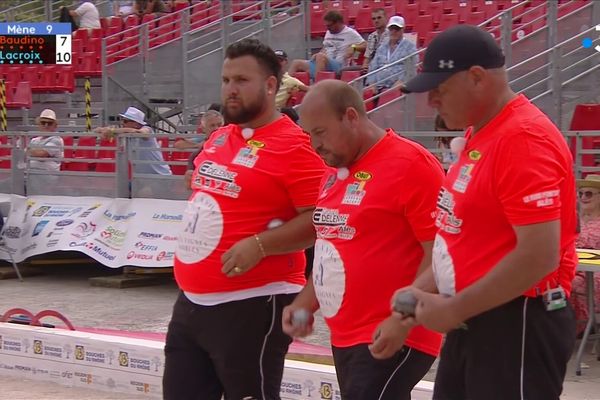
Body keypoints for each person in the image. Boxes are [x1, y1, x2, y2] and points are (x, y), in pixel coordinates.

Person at [394, 25, 577, 399]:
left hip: (518, 320)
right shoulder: (485, 132)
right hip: (481, 316)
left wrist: (455, 307)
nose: (431, 102)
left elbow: (540, 254)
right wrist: (417, 293)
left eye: (439, 90)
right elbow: (466, 237)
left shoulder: (522, 138)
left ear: (477, 78)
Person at [163, 38, 326, 400]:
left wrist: (260, 244)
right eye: (225, 80)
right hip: (192, 302)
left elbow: (321, 219)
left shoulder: (295, 146)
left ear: (271, 86)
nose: (230, 90)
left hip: (254, 302)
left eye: (241, 80)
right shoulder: (220, 137)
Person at [282, 80, 443, 400]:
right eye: (309, 134)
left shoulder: (411, 165)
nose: (314, 145)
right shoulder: (333, 172)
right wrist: (305, 302)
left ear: (351, 117)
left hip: (399, 333)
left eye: (321, 132)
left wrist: (403, 318)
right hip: (346, 336)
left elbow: (442, 256)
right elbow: (334, 247)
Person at [289, 10, 365, 81]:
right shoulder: (329, 32)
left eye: (329, 26)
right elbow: (326, 47)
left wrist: (354, 47)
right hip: (323, 62)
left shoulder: (350, 32)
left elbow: (366, 45)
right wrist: (319, 53)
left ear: (338, 22)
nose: (327, 28)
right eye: (326, 26)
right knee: (296, 63)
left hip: (338, 65)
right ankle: (283, 89)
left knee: (320, 57)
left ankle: (318, 88)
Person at [94, 106, 171, 175]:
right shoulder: (125, 134)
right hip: (141, 175)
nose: (122, 123)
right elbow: (102, 133)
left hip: (159, 174)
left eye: (125, 121)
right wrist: (105, 130)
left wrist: (113, 130)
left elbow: (142, 133)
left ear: (136, 124)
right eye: (122, 120)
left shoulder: (147, 129)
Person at [570, 174, 600, 335]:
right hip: (573, 265)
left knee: (570, 283)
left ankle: (577, 326)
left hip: (595, 271)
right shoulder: (573, 219)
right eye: (580, 193)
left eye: (588, 194)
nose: (583, 197)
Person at [366, 16, 417, 92]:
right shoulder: (382, 47)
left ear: (403, 29)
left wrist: (399, 83)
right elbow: (373, 67)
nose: (393, 31)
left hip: (397, 86)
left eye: (397, 29)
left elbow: (411, 70)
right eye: (391, 29)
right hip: (378, 86)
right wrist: (372, 83)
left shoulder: (410, 47)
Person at [362, 8, 389, 74]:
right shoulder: (371, 36)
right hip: (371, 68)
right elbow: (367, 57)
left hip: (384, 67)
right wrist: (364, 66)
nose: (376, 21)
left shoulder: (392, 34)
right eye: (374, 19)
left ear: (386, 18)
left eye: (379, 18)